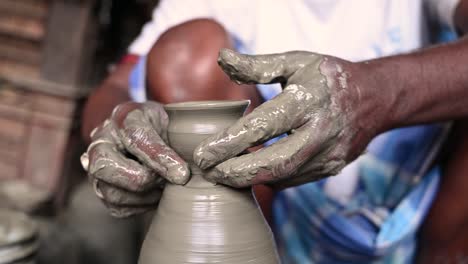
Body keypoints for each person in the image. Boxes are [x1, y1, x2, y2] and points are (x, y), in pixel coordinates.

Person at [81, 0, 468, 263]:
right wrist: (117, 126)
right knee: (186, 55)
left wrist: (372, 92)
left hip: (422, 221)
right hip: (273, 217)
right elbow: (114, 90)